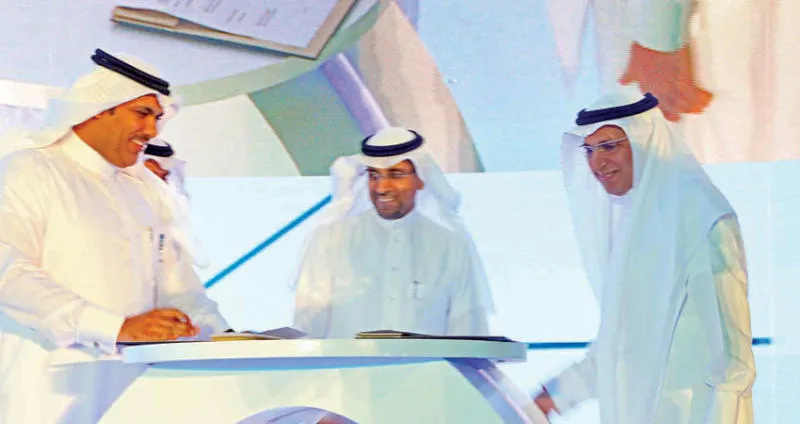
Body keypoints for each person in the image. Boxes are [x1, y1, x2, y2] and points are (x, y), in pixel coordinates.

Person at [0, 49, 229, 422]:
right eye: (142, 113)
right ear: (99, 109)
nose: (152, 131)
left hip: (130, 389)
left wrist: (228, 337)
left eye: (157, 118)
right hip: (47, 387)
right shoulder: (29, 170)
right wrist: (115, 328)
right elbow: (8, 273)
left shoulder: (142, 191)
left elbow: (179, 289)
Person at [532, 89, 756, 423]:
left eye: (609, 146)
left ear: (645, 142)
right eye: (589, 150)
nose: (597, 163)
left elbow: (731, 355)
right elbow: (621, 346)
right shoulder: (634, 227)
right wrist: (552, 398)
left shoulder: (700, 216)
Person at [292, 127, 493, 338]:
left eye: (396, 175)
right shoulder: (331, 240)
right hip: (348, 361)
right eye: (374, 175)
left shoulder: (450, 245)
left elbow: (469, 332)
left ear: (421, 178)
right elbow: (307, 329)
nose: (381, 188)